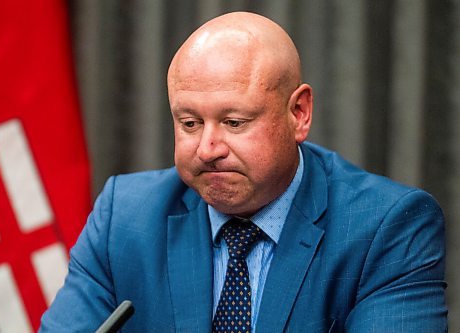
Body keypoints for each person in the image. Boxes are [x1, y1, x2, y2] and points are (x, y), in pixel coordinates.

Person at [40, 11, 447, 332]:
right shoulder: (124, 219)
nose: (208, 149)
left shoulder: (385, 227)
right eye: (189, 123)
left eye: (234, 122)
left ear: (299, 114)